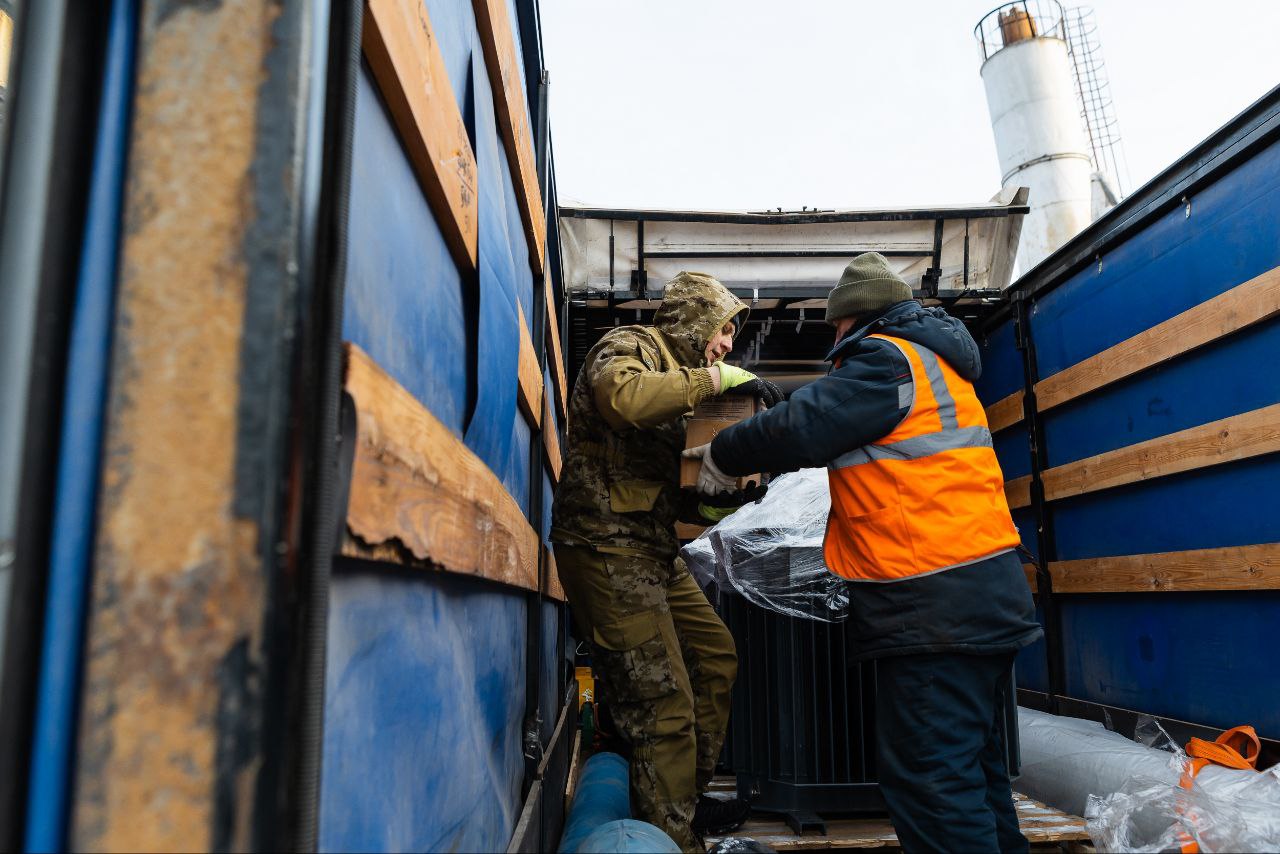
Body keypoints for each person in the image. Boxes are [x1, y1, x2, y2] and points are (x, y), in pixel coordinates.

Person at [684, 253, 1042, 853]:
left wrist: (724, 452)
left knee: (931, 782)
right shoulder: (938, 366)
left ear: (855, 319)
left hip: (934, 607)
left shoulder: (888, 359)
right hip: (982, 597)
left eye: (836, 327)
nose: (833, 340)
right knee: (974, 776)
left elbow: (805, 424)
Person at [550, 271, 783, 851]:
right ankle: (670, 838)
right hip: (604, 546)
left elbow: (658, 490)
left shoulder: (680, 391)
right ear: (695, 319)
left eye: (731, 337)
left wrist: (717, 499)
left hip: (651, 548)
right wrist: (711, 380)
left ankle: (679, 801)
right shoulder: (630, 348)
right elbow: (621, 400)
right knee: (663, 705)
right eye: (722, 330)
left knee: (716, 659)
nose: (728, 345)